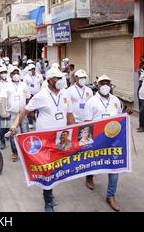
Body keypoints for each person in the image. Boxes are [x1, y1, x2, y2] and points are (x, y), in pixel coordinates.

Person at [11, 67, 75, 212]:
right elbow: (25, 111)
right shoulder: (41, 95)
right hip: (45, 140)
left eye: (61, 78)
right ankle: (48, 201)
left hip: (61, 139)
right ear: (50, 80)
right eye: (58, 78)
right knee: (47, 170)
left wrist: (76, 131)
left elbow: (70, 115)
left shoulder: (65, 94)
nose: (61, 81)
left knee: (57, 168)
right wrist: (15, 125)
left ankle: (50, 194)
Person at [83, 75, 124, 211]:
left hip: (113, 140)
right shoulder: (91, 102)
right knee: (94, 162)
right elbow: (87, 123)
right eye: (102, 83)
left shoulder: (116, 100)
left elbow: (119, 118)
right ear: (97, 85)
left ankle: (111, 195)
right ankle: (89, 177)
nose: (105, 85)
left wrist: (125, 116)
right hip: (97, 139)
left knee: (114, 166)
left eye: (107, 83)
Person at [3, 67, 29, 161]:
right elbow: (4, 99)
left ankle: (26, 152)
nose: (16, 74)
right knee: (13, 133)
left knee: (25, 132)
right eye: (14, 73)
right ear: (10, 75)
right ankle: (15, 152)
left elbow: (27, 97)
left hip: (23, 113)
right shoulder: (7, 85)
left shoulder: (24, 85)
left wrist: (28, 110)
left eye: (17, 73)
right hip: (12, 113)